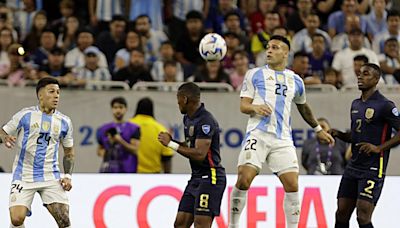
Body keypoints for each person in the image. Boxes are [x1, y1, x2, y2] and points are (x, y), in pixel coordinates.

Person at [228, 35, 335, 228]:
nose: (269, 51)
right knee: (244, 179)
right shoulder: (254, 74)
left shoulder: (296, 80)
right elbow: (243, 105)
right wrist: (255, 107)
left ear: (286, 53)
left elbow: (303, 107)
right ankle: (233, 225)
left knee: (292, 185)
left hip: (282, 139)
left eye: (275, 47)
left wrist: (318, 129)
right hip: (258, 134)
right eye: (268, 47)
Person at [331, 63, 400, 228]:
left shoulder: (385, 105)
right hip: (353, 166)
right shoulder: (356, 104)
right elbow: (355, 136)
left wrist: (378, 148)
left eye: (366, 74)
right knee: (341, 212)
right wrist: (340, 134)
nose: (360, 76)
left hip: (373, 167)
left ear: (376, 79)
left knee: (362, 215)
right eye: (359, 73)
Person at [0, 77, 75, 228]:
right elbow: (2, 132)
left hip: (50, 175)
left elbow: (69, 152)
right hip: (24, 174)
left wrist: (67, 176)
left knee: (64, 220)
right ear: (40, 95)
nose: (56, 96)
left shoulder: (64, 122)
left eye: (58, 92)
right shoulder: (25, 115)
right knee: (16, 219)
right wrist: (5, 137)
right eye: (52, 92)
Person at [158, 82, 226, 228]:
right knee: (180, 223)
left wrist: (171, 145)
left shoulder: (205, 121)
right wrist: (172, 141)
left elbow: (200, 154)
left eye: (178, 99)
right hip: (196, 178)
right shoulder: (188, 118)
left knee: (201, 225)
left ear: (185, 99)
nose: (177, 103)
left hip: (211, 178)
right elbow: (191, 146)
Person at [96, 97, 140, 173]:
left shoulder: (133, 128)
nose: (118, 110)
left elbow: (135, 150)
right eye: (115, 107)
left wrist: (120, 141)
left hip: (128, 171)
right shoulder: (103, 129)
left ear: (126, 109)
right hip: (108, 171)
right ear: (112, 109)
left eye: (121, 107)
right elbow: (99, 150)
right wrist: (108, 151)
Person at [130, 97, 174, 173]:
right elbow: (167, 157)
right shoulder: (160, 129)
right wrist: (168, 177)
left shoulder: (127, 126)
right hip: (153, 177)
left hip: (129, 175)